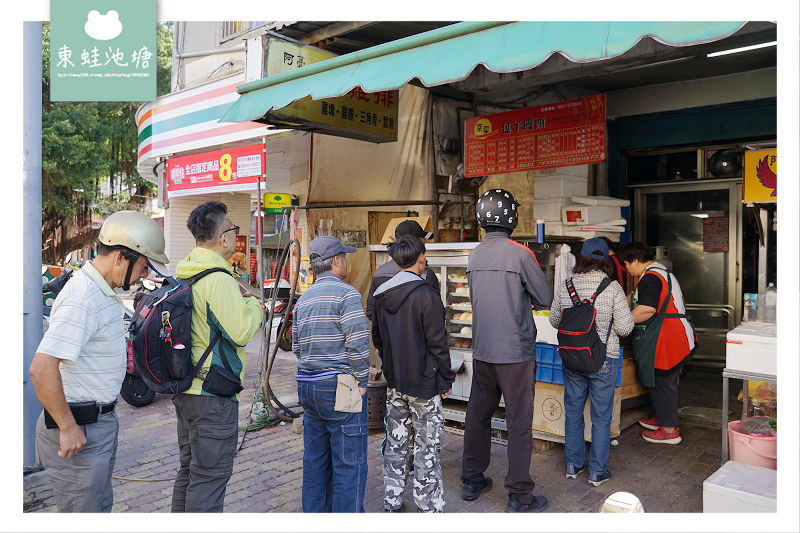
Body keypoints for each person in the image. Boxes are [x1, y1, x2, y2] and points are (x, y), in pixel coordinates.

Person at [30, 210, 170, 512]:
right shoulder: (84, 297)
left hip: (95, 425)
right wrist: (68, 427)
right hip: (80, 429)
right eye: (144, 266)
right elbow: (41, 368)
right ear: (121, 257)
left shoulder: (100, 290)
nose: (144, 275)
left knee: (98, 508)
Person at [461, 189, 552, 513]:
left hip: (483, 350)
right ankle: (519, 495)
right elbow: (544, 298)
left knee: (477, 416)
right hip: (515, 354)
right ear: (512, 217)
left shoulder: (475, 255)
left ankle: (471, 480)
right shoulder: (521, 254)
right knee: (518, 423)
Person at [171, 201, 263, 512]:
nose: (237, 236)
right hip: (213, 394)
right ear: (223, 238)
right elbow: (240, 333)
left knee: (190, 472)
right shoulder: (219, 279)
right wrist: (254, 307)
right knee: (210, 478)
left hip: (187, 390)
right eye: (234, 230)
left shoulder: (186, 272)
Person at [371, 235, 455, 513]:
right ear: (421, 258)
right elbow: (438, 344)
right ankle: (427, 504)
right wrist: (446, 379)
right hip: (425, 383)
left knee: (396, 441)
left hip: (395, 382)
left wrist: (391, 366)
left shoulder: (382, 294)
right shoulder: (426, 294)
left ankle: (392, 498)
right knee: (426, 444)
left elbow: (379, 339)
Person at [292, 235, 370, 513]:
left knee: (315, 460)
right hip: (340, 385)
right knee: (349, 462)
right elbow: (359, 344)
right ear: (337, 261)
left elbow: (297, 347)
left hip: (308, 386)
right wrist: (362, 381)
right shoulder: (347, 294)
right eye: (344, 257)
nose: (346, 261)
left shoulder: (304, 299)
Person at [548, 238, 634, 486]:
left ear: (580, 258)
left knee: (573, 411)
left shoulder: (566, 286)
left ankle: (573, 465)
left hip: (573, 358)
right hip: (604, 360)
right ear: (604, 260)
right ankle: (597, 471)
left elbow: (555, 320)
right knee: (601, 416)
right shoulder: (613, 287)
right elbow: (625, 327)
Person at [619, 241, 696, 445]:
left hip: (669, 337)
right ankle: (662, 418)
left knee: (664, 382)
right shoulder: (658, 271)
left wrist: (621, 322)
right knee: (659, 380)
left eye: (626, 264)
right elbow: (634, 299)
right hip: (672, 335)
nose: (626, 269)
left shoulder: (651, 278)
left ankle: (669, 430)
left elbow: (646, 309)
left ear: (635, 261)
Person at [366, 219, 439, 321]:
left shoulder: (380, 272)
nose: (425, 243)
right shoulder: (425, 275)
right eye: (422, 240)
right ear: (416, 243)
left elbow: (371, 312)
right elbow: (435, 317)